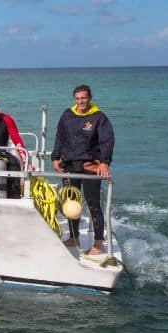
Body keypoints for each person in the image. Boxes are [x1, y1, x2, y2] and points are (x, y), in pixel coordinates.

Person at [51, 85, 115, 255]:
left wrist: (104, 163)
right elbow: (60, 137)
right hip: (70, 164)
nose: (81, 102)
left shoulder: (99, 117)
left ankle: (99, 243)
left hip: (90, 166)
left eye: (84, 98)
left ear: (90, 98)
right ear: (74, 99)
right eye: (78, 98)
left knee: (93, 203)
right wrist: (55, 157)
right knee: (71, 203)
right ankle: (74, 237)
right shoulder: (67, 115)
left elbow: (107, 140)